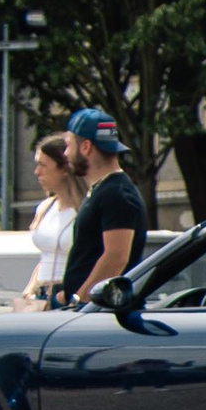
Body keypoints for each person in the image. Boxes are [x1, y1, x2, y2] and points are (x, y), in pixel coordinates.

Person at [57, 110, 148, 306]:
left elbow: (116, 257)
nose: (65, 154)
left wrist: (79, 300)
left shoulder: (117, 194)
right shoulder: (104, 190)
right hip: (93, 313)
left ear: (86, 147)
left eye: (68, 145)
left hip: (102, 314)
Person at [24, 133, 84, 307]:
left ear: (64, 169)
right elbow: (46, 256)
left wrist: (66, 296)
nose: (37, 172)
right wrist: (29, 289)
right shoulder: (45, 208)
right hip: (40, 294)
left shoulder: (83, 210)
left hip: (67, 294)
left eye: (43, 165)